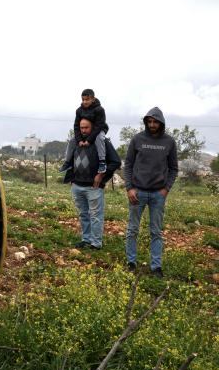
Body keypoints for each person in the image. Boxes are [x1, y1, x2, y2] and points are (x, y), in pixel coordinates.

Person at [124, 107, 178, 278]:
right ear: (146, 122)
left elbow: (173, 169)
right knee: (133, 229)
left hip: (157, 194)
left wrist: (166, 189)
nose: (152, 124)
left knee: (156, 231)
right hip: (137, 192)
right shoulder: (137, 139)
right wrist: (129, 187)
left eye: (155, 122)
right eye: (150, 121)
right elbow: (128, 165)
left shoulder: (169, 142)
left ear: (161, 123)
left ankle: (156, 267)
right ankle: (131, 262)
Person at [64, 117, 121, 249]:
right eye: (81, 128)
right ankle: (86, 239)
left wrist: (101, 176)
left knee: (96, 216)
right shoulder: (76, 141)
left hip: (93, 187)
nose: (83, 130)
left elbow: (116, 162)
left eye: (86, 128)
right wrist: (72, 179)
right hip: (77, 185)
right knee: (83, 214)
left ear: (93, 127)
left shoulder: (102, 142)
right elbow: (70, 160)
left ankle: (96, 243)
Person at [60, 88, 110, 174]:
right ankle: (67, 162)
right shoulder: (79, 110)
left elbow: (99, 126)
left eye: (87, 99)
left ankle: (102, 162)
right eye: (83, 99)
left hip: (99, 129)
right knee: (72, 140)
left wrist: (89, 140)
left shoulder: (100, 110)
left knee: (100, 138)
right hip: (84, 131)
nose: (85, 102)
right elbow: (76, 126)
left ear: (93, 99)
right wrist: (79, 140)